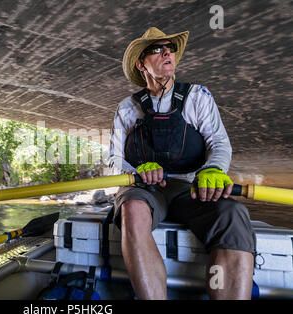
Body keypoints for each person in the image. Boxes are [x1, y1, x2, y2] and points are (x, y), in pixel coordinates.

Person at [108, 27, 256, 300]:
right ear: (141, 64)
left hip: (191, 187)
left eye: (170, 49)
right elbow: (114, 160)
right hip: (144, 190)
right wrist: (137, 172)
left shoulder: (198, 96)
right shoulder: (126, 108)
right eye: (156, 49)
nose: (167, 53)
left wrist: (212, 170)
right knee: (132, 208)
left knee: (233, 215)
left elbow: (219, 143)